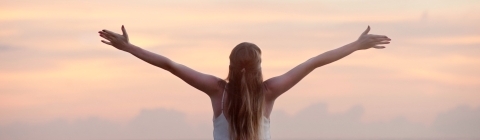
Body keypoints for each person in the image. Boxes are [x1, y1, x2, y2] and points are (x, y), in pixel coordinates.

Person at [98, 25, 391, 140]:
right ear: (259, 67)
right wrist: (355, 45)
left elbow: (170, 65)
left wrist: (129, 48)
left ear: (230, 64)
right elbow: (314, 62)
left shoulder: (217, 90)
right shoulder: (270, 91)